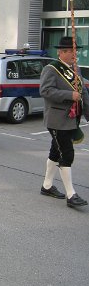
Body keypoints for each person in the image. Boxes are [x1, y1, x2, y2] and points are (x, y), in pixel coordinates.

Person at [39, 36, 88, 208]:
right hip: (57, 119)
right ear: (62, 52)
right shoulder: (51, 69)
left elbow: (83, 94)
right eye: (71, 51)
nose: (75, 54)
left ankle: (47, 186)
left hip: (71, 118)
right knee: (66, 154)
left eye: (76, 51)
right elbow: (45, 91)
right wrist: (69, 95)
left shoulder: (76, 69)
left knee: (55, 151)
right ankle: (71, 194)